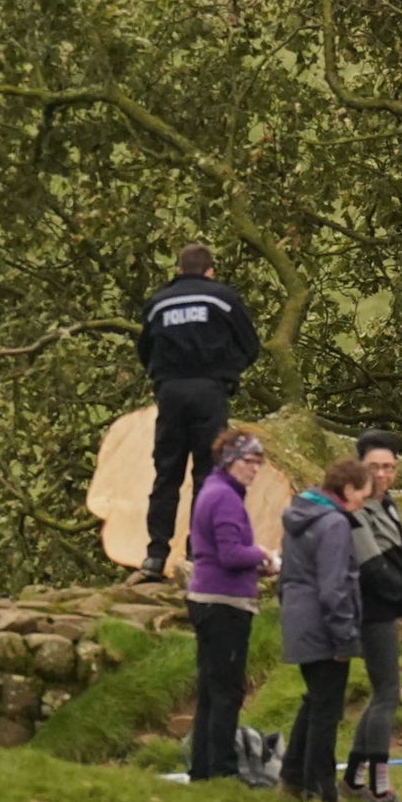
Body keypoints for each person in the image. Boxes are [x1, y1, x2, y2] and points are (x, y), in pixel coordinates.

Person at [133, 242, 262, 583]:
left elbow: (144, 351)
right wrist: (227, 374)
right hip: (209, 392)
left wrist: (163, 380)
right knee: (208, 474)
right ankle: (199, 552)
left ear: (177, 270)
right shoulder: (223, 299)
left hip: (171, 393)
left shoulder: (158, 302)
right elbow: (251, 346)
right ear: (210, 271)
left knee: (167, 474)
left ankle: (155, 555)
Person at [184, 428, 275, 784]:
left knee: (210, 688)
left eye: (258, 463)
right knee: (227, 690)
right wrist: (265, 556)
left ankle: (202, 768)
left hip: (209, 599)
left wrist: (255, 560)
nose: (255, 470)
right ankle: (222, 768)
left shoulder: (216, 491)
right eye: (250, 462)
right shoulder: (224, 498)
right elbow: (231, 553)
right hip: (224, 602)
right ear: (231, 461)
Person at [281, 458, 372, 802]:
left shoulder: (301, 516)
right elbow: (335, 587)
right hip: (323, 628)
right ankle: (321, 790)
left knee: (315, 701)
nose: (364, 501)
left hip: (299, 620)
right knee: (327, 711)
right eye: (363, 493)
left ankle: (293, 775)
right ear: (348, 490)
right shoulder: (334, 524)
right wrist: (345, 637)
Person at [343, 430, 402, 802]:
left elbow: (397, 564)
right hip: (370, 611)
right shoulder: (355, 510)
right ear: (360, 467)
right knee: (388, 695)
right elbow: (373, 570)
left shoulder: (389, 505)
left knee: (382, 694)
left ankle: (354, 778)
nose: (382, 474)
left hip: (388, 608)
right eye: (374, 466)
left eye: (389, 467)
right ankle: (379, 786)